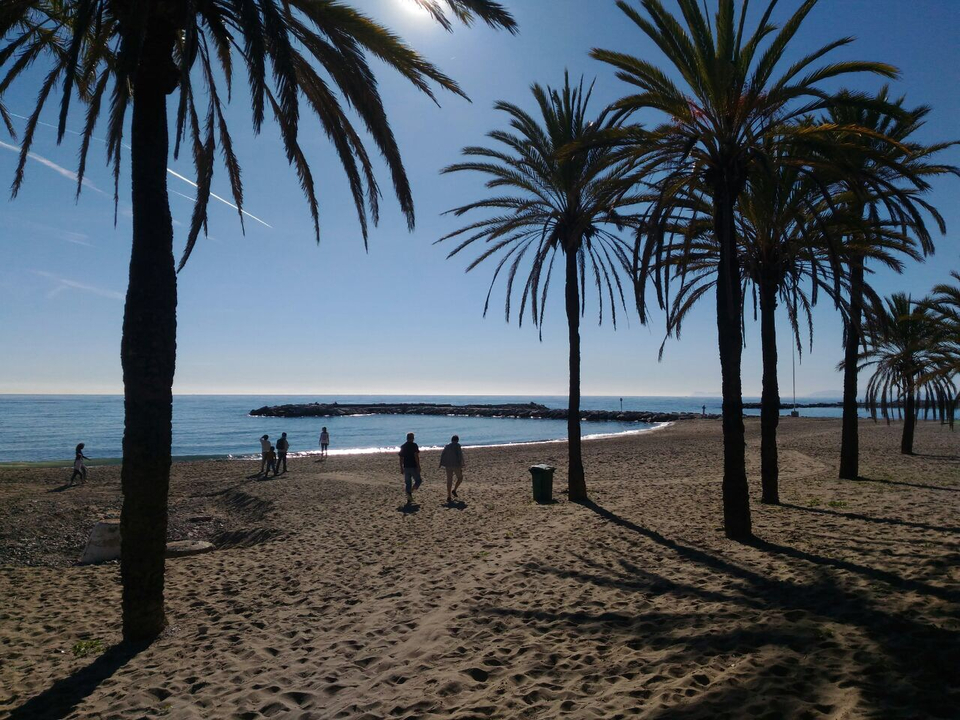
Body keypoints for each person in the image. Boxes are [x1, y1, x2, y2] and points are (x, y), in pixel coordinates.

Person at [439, 435, 466, 503]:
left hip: (448, 465)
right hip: (456, 465)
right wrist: (462, 465)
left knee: (449, 480)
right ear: (457, 440)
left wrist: (441, 463)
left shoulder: (447, 446)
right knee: (460, 478)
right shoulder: (457, 445)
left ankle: (449, 496)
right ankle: (454, 490)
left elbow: (443, 454)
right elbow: (460, 456)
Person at [398, 432, 422, 504]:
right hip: (413, 466)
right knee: (418, 480)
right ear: (412, 438)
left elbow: (401, 458)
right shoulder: (414, 445)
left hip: (406, 466)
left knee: (408, 483)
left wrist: (401, 467)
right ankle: (410, 492)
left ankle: (409, 497)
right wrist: (418, 465)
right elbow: (416, 456)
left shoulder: (403, 446)